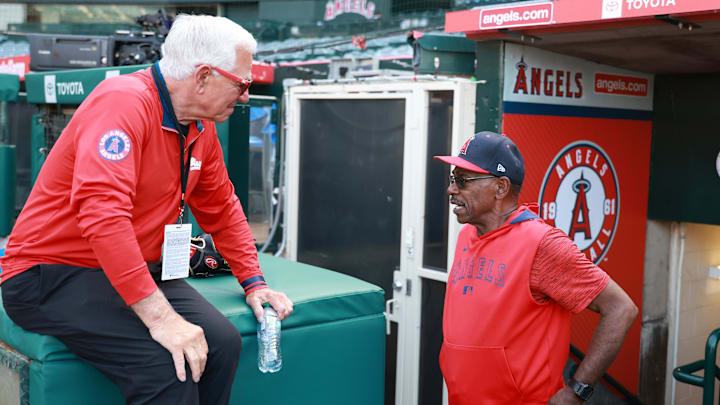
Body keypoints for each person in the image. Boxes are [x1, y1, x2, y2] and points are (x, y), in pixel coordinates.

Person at [0, 15, 292, 405]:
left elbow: (222, 207)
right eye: (242, 84)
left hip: (131, 267)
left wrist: (254, 283)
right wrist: (162, 319)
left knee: (222, 343)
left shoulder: (199, 128)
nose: (244, 97)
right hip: (51, 274)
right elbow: (103, 217)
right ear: (203, 77)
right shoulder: (123, 102)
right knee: (167, 366)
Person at [433, 131, 637, 405]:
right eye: (452, 179)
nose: (452, 189)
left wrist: (578, 391)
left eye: (463, 181)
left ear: (501, 187)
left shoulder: (541, 244)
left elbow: (621, 309)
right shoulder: (467, 235)